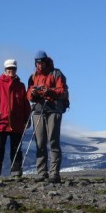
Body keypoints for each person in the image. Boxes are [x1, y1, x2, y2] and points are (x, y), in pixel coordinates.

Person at [27, 50, 68, 183]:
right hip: (39, 110)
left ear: (46, 61)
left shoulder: (56, 73)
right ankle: (41, 172)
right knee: (40, 142)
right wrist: (33, 94)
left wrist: (49, 91)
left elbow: (62, 90)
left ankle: (54, 173)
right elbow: (29, 94)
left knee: (53, 141)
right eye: (37, 63)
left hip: (54, 110)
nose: (40, 65)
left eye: (42, 62)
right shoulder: (33, 76)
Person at [0, 59, 31, 179]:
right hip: (1, 121)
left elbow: (25, 104)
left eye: (13, 69)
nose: (11, 71)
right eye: (9, 69)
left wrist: (27, 119)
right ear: (5, 70)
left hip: (16, 123)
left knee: (16, 149)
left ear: (16, 70)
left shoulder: (21, 86)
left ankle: (16, 172)